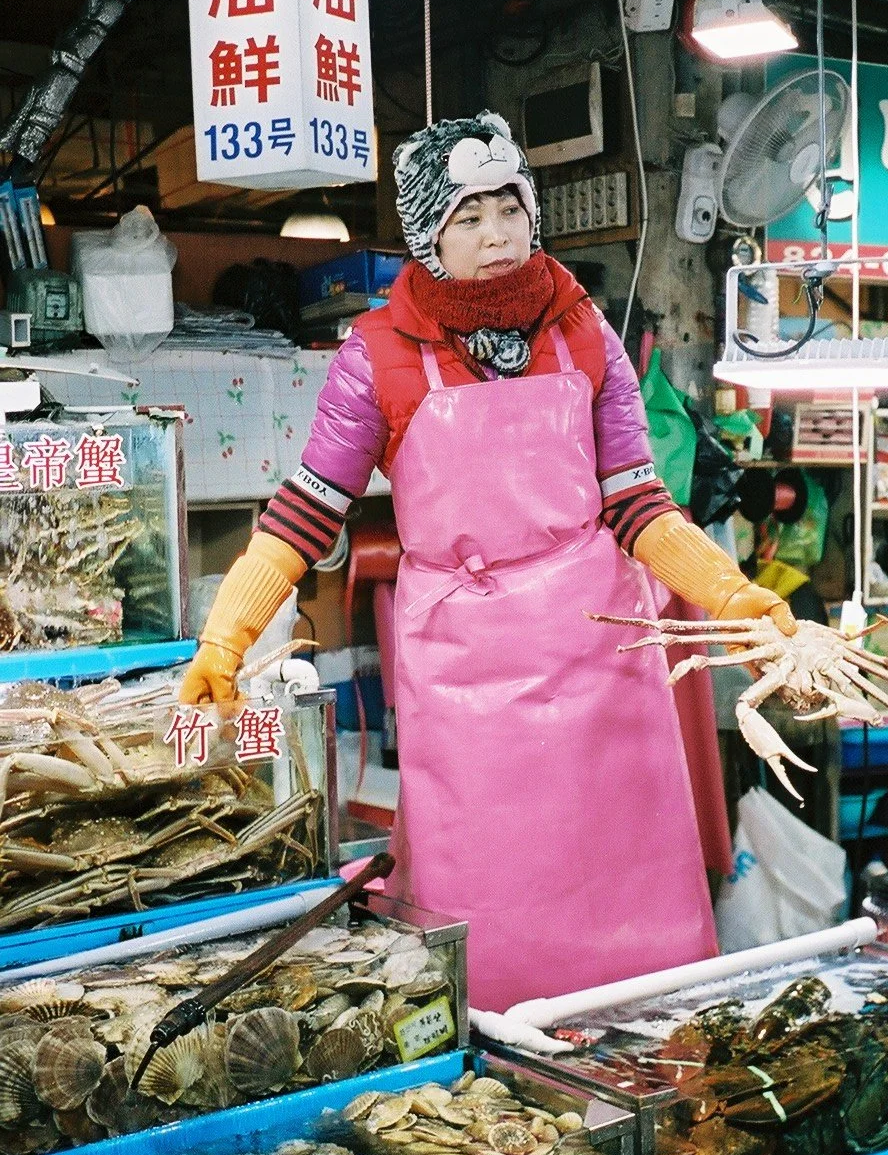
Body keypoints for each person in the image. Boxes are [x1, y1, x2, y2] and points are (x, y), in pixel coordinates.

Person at [181, 111, 795, 1010]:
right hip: (467, 679)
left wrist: (734, 595)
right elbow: (308, 512)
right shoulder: (375, 356)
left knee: (634, 901)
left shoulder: (584, 332)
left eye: (509, 207)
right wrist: (225, 636)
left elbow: (638, 503)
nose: (496, 235)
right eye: (468, 217)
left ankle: (659, 1060)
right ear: (429, 233)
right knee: (488, 906)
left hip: (602, 659)